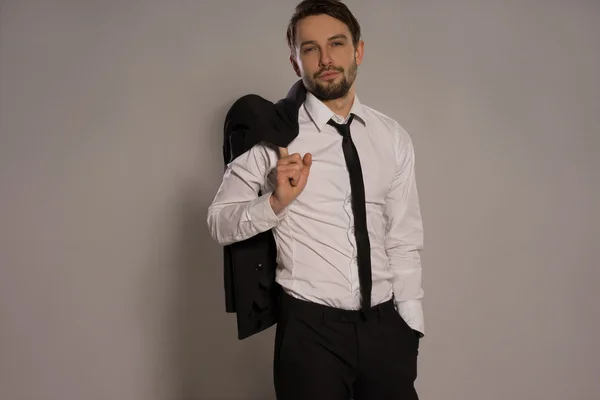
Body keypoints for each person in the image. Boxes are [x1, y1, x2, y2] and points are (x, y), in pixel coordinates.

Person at [207, 1, 425, 398]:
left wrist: (409, 325)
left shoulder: (392, 137)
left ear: (358, 51)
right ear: (295, 62)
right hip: (311, 335)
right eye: (310, 49)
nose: (325, 59)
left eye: (337, 43)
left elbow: (403, 238)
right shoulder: (273, 138)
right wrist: (274, 203)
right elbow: (218, 221)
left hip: (386, 329)